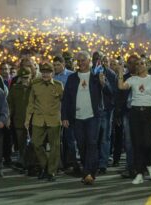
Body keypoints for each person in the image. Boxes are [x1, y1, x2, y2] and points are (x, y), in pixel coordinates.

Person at [62, 51, 112, 185]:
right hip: (77, 118)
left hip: (93, 117)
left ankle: (89, 173)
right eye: (78, 61)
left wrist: (103, 83)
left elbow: (109, 92)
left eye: (83, 60)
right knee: (81, 145)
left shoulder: (96, 77)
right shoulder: (72, 78)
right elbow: (66, 99)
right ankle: (87, 169)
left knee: (92, 143)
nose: (80, 63)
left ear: (90, 61)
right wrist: (65, 117)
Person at [118, 56, 151, 185]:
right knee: (137, 144)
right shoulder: (133, 79)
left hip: (149, 112)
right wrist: (120, 71)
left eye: (142, 63)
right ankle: (139, 173)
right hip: (135, 112)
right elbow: (121, 86)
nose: (139, 65)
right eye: (137, 64)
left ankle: (149, 164)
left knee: (147, 143)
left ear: (147, 65)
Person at [24, 62, 63, 182]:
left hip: (54, 119)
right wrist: (27, 120)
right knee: (36, 144)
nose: (45, 75)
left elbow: (64, 103)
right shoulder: (35, 85)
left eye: (48, 72)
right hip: (38, 119)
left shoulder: (58, 85)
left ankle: (51, 172)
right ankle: (45, 166)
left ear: (52, 73)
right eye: (44, 72)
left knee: (55, 147)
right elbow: (31, 104)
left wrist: (64, 118)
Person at [53, 55, 79, 174]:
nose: (56, 67)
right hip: (56, 111)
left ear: (63, 64)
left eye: (58, 64)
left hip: (69, 111)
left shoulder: (71, 75)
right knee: (58, 139)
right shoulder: (52, 77)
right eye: (54, 65)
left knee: (69, 139)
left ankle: (72, 163)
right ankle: (61, 163)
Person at [8, 67, 35, 175]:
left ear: (30, 77)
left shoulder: (34, 88)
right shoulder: (15, 88)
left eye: (27, 78)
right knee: (21, 143)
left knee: (34, 143)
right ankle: (24, 163)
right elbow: (10, 104)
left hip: (33, 120)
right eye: (23, 78)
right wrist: (9, 117)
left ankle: (32, 164)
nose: (25, 80)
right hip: (19, 120)